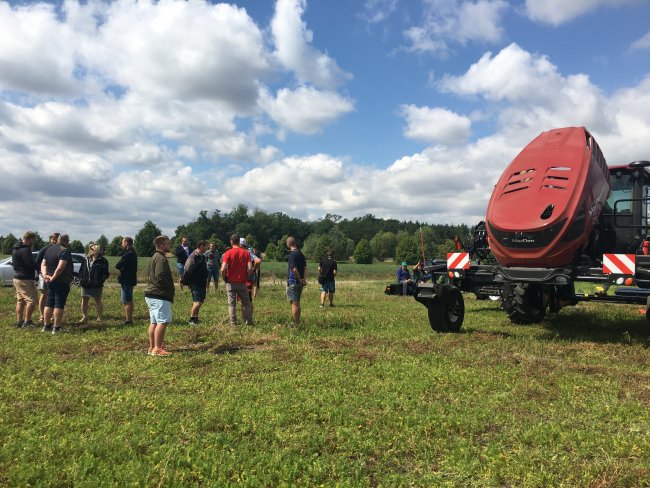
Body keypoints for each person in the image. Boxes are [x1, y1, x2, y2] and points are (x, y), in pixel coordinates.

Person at [144, 235, 175, 356]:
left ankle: (152, 347)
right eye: (167, 243)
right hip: (159, 294)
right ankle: (157, 348)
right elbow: (160, 276)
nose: (169, 245)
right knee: (163, 321)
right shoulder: (161, 258)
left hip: (152, 294)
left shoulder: (155, 256)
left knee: (154, 322)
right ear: (162, 245)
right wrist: (168, 288)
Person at [41, 234, 73, 334]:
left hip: (49, 281)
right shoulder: (64, 251)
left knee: (49, 302)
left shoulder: (49, 249)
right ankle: (56, 327)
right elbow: (60, 267)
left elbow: (43, 264)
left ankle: (46, 326)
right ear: (66, 241)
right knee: (59, 303)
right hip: (61, 281)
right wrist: (54, 277)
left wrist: (45, 275)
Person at [221, 234, 253, 326]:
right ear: (239, 241)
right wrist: (246, 276)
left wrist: (224, 278)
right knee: (246, 303)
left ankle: (233, 324)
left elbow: (223, 269)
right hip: (242, 282)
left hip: (230, 282)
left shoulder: (228, 253)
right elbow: (250, 268)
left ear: (231, 242)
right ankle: (248, 322)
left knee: (232, 305)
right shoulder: (246, 253)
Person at [77, 243, 110, 325]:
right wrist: (81, 279)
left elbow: (105, 273)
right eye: (90, 249)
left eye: (92, 249)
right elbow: (81, 270)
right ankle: (84, 316)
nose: (90, 250)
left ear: (96, 250)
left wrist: (100, 281)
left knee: (97, 300)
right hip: (85, 284)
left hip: (96, 285)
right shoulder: (85, 259)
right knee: (84, 300)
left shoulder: (103, 261)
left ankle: (99, 317)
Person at [11, 231, 38, 328]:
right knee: (32, 300)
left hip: (17, 277)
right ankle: (28, 322)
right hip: (25, 278)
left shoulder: (15, 248)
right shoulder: (25, 250)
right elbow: (30, 264)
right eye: (33, 240)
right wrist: (39, 265)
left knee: (20, 300)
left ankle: (19, 321)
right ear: (29, 239)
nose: (33, 242)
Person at [34, 232, 60, 325]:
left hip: (55, 276)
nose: (54, 241)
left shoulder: (61, 249)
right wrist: (42, 274)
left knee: (53, 295)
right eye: (53, 239)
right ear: (50, 239)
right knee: (44, 295)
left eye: (56, 239)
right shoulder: (45, 249)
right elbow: (37, 263)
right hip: (44, 275)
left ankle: (52, 314)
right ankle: (42, 315)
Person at [183, 240, 209, 325]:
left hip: (201, 282)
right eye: (206, 246)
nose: (207, 248)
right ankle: (191, 319)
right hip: (195, 283)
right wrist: (187, 282)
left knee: (200, 301)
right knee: (197, 301)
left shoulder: (201, 256)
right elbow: (187, 269)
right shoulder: (193, 256)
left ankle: (195, 318)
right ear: (201, 246)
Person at [116, 237, 137, 325]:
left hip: (126, 280)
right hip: (130, 278)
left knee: (127, 300)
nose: (122, 245)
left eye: (123, 243)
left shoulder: (128, 254)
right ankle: (128, 318)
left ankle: (128, 320)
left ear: (127, 243)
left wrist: (122, 268)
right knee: (128, 299)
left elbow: (118, 265)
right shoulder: (133, 253)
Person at [286, 236, 307, 324]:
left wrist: (298, 279)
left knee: (294, 304)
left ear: (288, 244)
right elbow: (305, 268)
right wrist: (303, 279)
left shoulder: (292, 255)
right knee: (297, 303)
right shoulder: (301, 254)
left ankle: (296, 324)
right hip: (300, 283)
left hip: (293, 282)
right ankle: (297, 322)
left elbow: (294, 269)